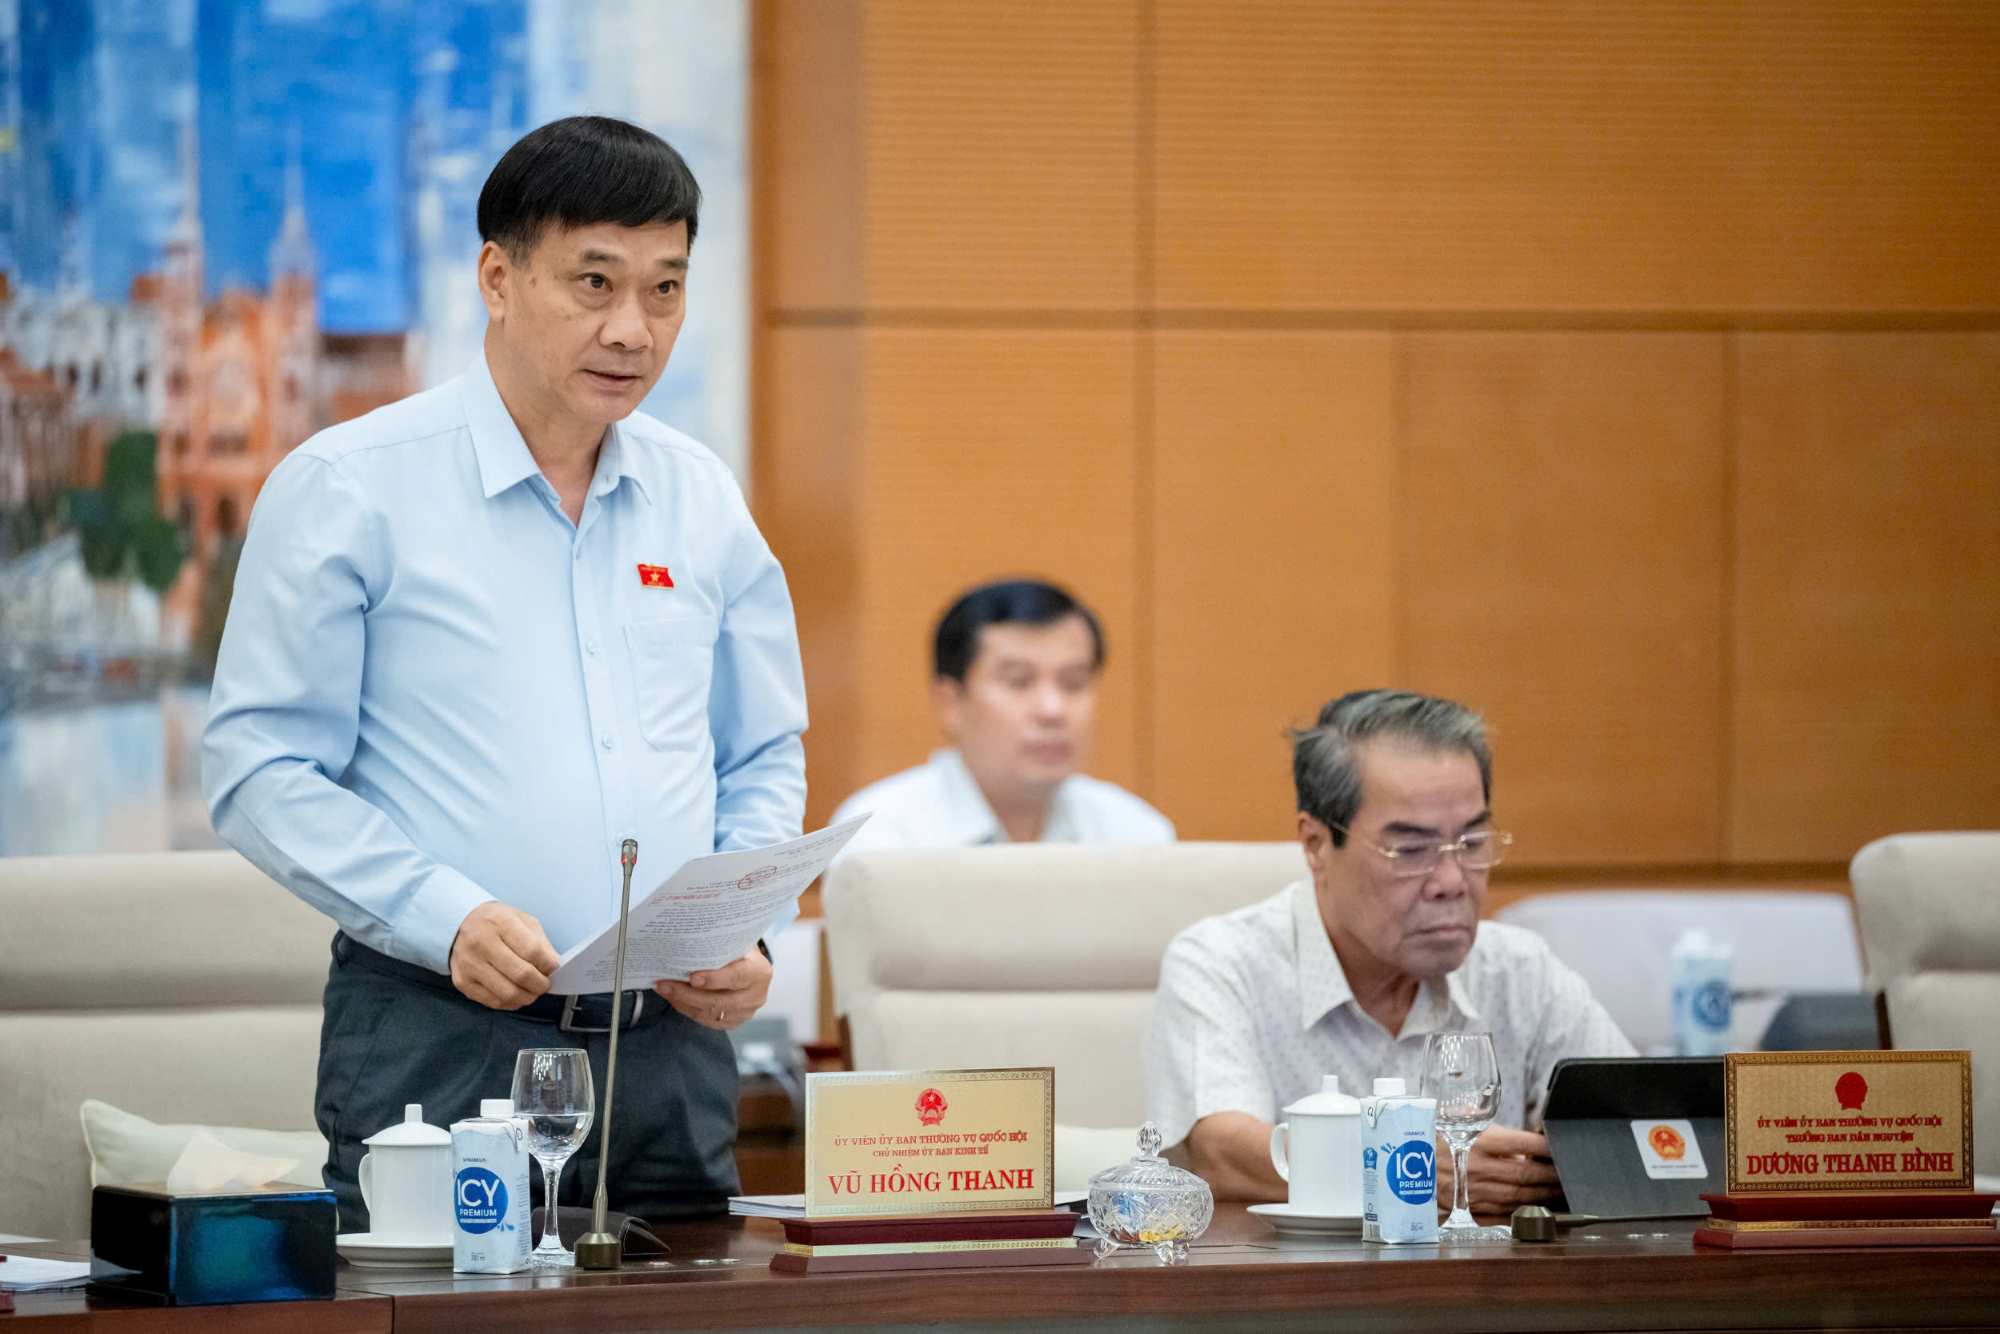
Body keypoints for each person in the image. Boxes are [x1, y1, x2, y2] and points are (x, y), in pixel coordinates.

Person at [202, 117, 806, 1226]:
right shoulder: (351, 486)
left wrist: (744, 924)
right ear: (496, 275)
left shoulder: (699, 494)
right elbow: (258, 767)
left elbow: (762, 747)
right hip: (442, 1037)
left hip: (668, 1057)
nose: (631, 327)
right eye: (593, 281)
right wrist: (442, 912)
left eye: (664, 289)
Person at [1144, 689, 1633, 1213]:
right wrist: (1406, 1162)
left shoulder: (1518, 971)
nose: (1450, 882)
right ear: (1315, 844)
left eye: (1471, 844)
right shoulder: (1223, 963)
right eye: (1410, 850)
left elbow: (1640, 1123)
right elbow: (1221, 1152)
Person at [830, 579, 1173, 858]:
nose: (1052, 710)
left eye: (1073, 683)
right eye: (1018, 682)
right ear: (951, 703)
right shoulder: (884, 838)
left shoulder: (1136, 833)